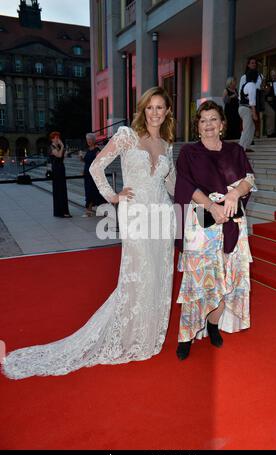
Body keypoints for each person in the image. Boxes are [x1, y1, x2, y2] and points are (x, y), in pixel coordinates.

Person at [2, 86, 176, 379]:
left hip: (163, 216)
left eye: (160, 108)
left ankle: (148, 335)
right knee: (139, 274)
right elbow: (97, 166)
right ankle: (131, 335)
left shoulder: (167, 144)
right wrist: (113, 196)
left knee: (159, 275)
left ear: (168, 111)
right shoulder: (126, 135)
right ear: (142, 109)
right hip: (137, 216)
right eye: (150, 107)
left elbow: (171, 184)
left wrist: (198, 197)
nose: (155, 113)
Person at [174, 100, 255, 360]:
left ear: (222, 124)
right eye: (203, 120)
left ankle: (213, 325)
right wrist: (211, 206)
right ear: (197, 126)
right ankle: (186, 335)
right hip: (202, 223)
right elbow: (185, 184)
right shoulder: (189, 152)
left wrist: (234, 195)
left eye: (213, 119)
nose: (208, 124)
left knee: (226, 279)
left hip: (233, 222)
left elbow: (249, 179)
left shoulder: (235, 151)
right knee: (198, 281)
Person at [81, 132, 106, 217]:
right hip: (87, 173)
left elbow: (99, 162)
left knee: (92, 191)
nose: (88, 141)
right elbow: (86, 161)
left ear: (93, 140)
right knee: (88, 191)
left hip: (93, 174)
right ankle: (89, 210)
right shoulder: (88, 150)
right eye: (87, 139)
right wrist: (81, 158)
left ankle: (89, 210)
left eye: (90, 139)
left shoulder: (97, 150)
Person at [48, 131, 71, 218]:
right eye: (56, 137)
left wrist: (65, 152)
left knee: (63, 190)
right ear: (52, 139)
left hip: (61, 168)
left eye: (58, 137)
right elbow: (58, 155)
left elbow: (62, 157)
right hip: (56, 170)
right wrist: (62, 146)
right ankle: (60, 212)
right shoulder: (51, 147)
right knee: (59, 190)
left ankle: (63, 211)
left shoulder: (57, 147)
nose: (58, 139)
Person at [238, 69, 259, 151]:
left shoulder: (245, 85)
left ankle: (246, 146)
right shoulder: (252, 85)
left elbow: (240, 98)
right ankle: (240, 149)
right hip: (246, 108)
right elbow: (252, 101)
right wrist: (254, 113)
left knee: (252, 128)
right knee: (246, 129)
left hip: (242, 108)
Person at [264, 69, 276, 137]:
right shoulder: (268, 83)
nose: (274, 77)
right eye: (272, 75)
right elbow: (265, 93)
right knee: (271, 118)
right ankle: (271, 133)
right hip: (270, 104)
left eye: (275, 75)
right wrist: (267, 98)